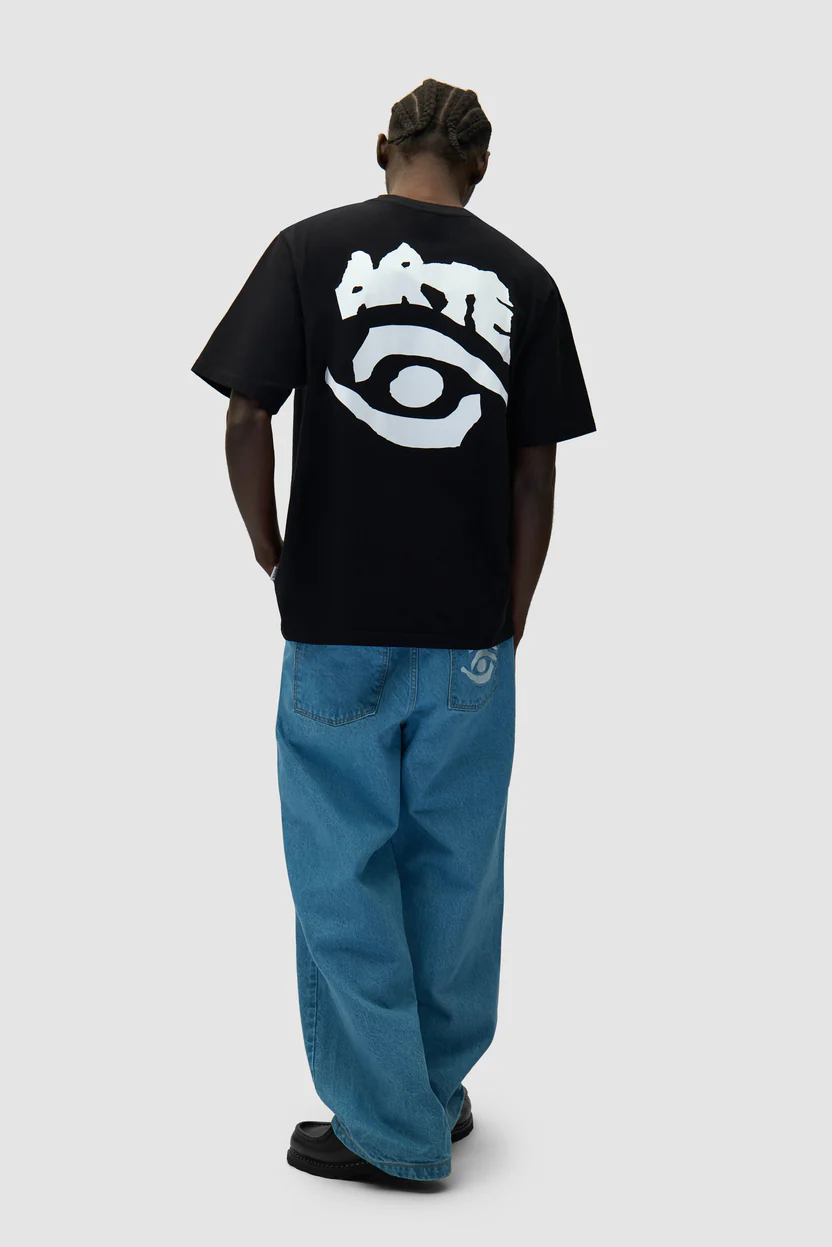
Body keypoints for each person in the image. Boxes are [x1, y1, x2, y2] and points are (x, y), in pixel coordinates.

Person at [191, 77, 596, 1186]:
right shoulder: (525, 279)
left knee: (343, 872)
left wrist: (269, 545)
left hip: (336, 623)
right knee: (456, 875)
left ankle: (390, 1129)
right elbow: (535, 472)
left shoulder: (307, 250)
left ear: (381, 146)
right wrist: (513, 609)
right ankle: (432, 1088)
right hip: (470, 631)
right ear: (482, 166)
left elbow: (244, 412)